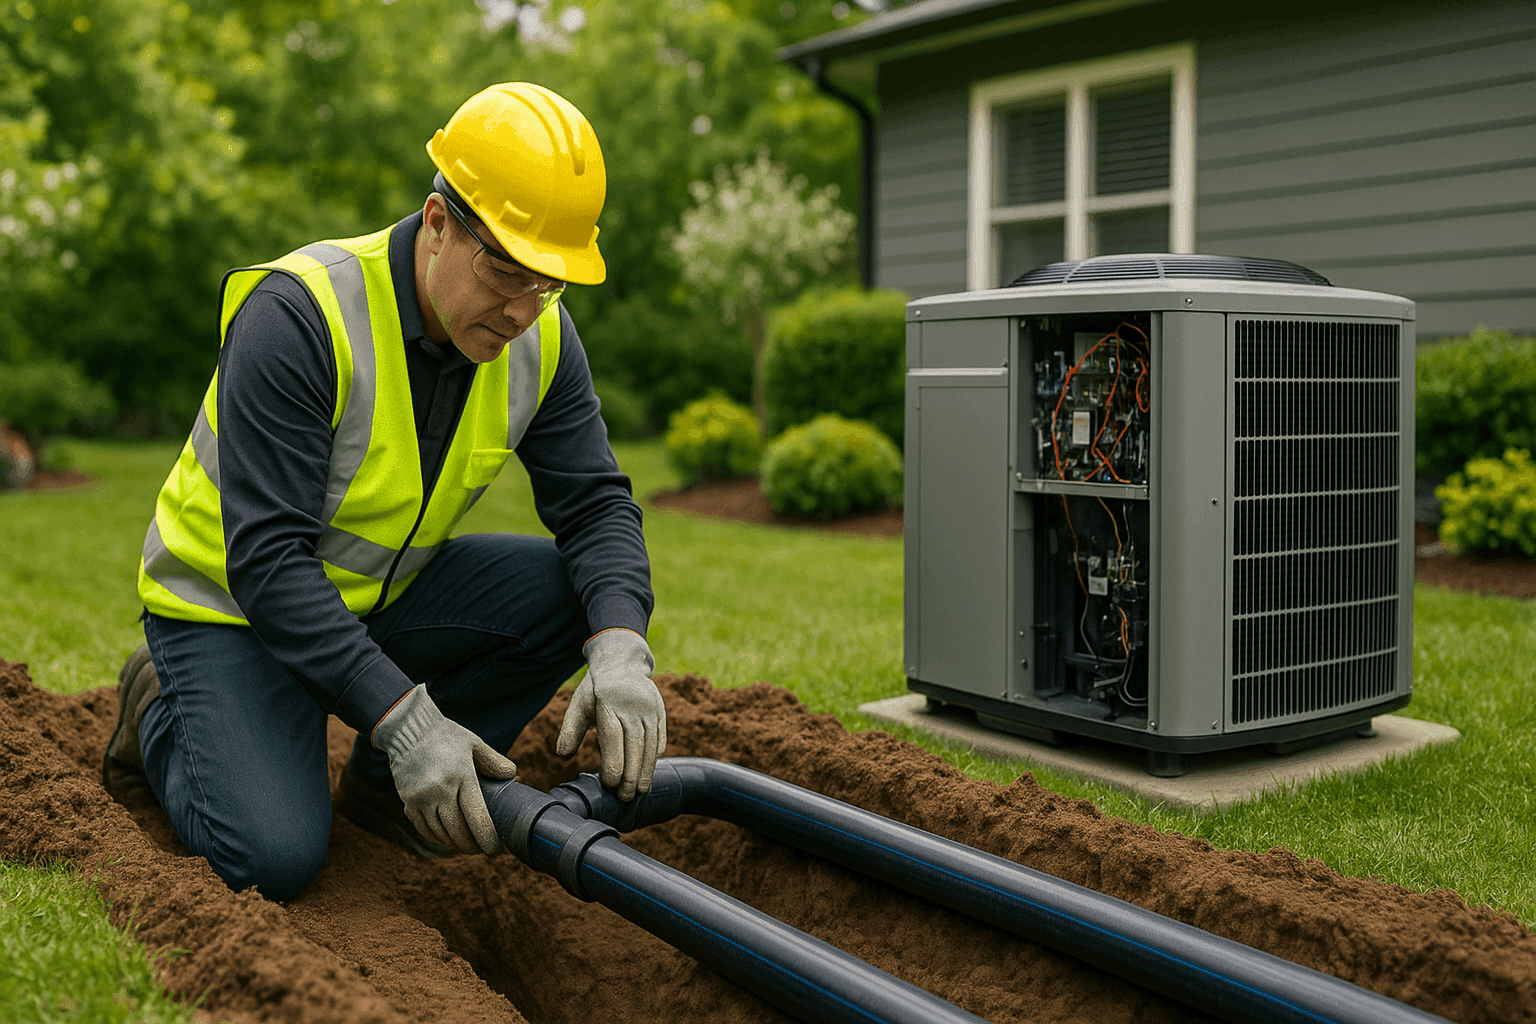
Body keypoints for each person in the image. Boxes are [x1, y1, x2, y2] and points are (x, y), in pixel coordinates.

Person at [102, 83, 665, 903]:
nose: (522, 309)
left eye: (549, 281)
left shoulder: (540, 335)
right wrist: (406, 719)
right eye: (506, 269)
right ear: (438, 221)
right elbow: (265, 562)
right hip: (228, 610)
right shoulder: (301, 315)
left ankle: (382, 797)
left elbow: (596, 504)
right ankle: (159, 703)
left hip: (375, 597)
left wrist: (621, 644)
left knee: (574, 592)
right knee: (274, 859)